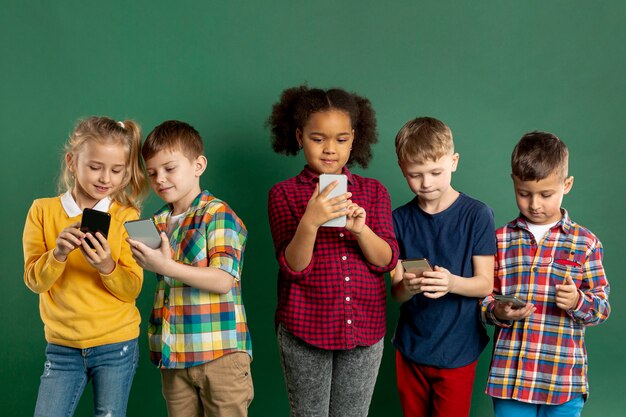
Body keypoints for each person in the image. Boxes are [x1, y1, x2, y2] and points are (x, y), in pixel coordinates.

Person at [266, 85, 399, 417]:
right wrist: (310, 221)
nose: (330, 149)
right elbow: (293, 267)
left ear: (354, 138)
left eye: (341, 139)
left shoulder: (374, 192)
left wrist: (361, 230)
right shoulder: (283, 195)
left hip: (364, 331)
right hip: (304, 331)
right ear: (299, 136)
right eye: (317, 138)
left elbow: (387, 260)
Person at [23, 116, 147, 417]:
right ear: (71, 161)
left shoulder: (131, 216)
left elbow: (133, 288)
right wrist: (59, 254)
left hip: (116, 344)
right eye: (95, 167)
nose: (106, 178)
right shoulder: (42, 211)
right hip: (62, 347)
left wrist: (107, 266)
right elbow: (34, 281)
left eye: (117, 170)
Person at [127, 120, 253, 417]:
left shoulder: (217, 214)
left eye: (169, 169)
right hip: (173, 356)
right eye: (153, 172)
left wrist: (166, 266)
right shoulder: (155, 222)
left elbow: (223, 280)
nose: (160, 179)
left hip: (220, 355)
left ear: (198, 165)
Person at [481, 131, 610, 417]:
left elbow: (601, 308)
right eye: (524, 194)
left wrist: (577, 301)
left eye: (546, 194)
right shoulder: (499, 240)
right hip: (510, 380)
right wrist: (496, 311)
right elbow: (483, 298)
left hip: (563, 380)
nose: (534, 204)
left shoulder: (585, 243)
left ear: (567, 185)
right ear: (514, 183)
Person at [391, 117, 496, 417]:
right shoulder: (398, 219)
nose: (426, 183)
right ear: (402, 168)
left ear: (454, 162)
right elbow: (396, 293)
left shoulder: (477, 215)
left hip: (458, 347)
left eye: (435, 172)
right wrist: (407, 287)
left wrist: (451, 283)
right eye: (415, 174)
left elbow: (484, 283)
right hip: (411, 346)